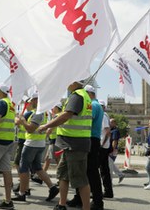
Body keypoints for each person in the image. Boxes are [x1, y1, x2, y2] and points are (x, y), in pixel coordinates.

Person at [38, 80, 92, 210]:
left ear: (74, 81)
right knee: (63, 175)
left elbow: (66, 115)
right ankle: (61, 205)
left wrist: (46, 125)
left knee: (80, 180)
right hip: (69, 144)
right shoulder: (81, 95)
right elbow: (66, 114)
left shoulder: (77, 96)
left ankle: (86, 208)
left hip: (75, 144)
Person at [12, 92, 59, 203]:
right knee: (38, 168)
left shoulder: (38, 113)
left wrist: (23, 120)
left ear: (36, 100)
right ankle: (52, 188)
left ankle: (22, 193)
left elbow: (30, 129)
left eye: (32, 100)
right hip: (39, 143)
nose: (30, 102)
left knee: (24, 168)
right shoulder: (43, 112)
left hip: (31, 144)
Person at [67, 85, 104, 209]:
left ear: (89, 94)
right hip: (92, 138)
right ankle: (80, 198)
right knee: (85, 170)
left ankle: (97, 202)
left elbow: (86, 118)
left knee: (90, 171)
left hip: (89, 138)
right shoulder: (97, 105)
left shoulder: (93, 105)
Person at [99, 99, 113, 199]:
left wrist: (102, 144)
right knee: (104, 170)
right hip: (105, 146)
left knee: (97, 169)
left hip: (102, 147)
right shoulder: (106, 116)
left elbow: (108, 132)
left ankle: (98, 192)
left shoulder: (103, 116)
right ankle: (108, 191)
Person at [108, 119, 125, 183]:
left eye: (111, 122)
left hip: (113, 150)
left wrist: (112, 150)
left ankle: (109, 181)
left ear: (115, 123)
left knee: (109, 166)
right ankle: (121, 175)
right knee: (111, 164)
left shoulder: (115, 131)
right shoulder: (111, 130)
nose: (109, 123)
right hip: (111, 150)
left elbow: (114, 141)